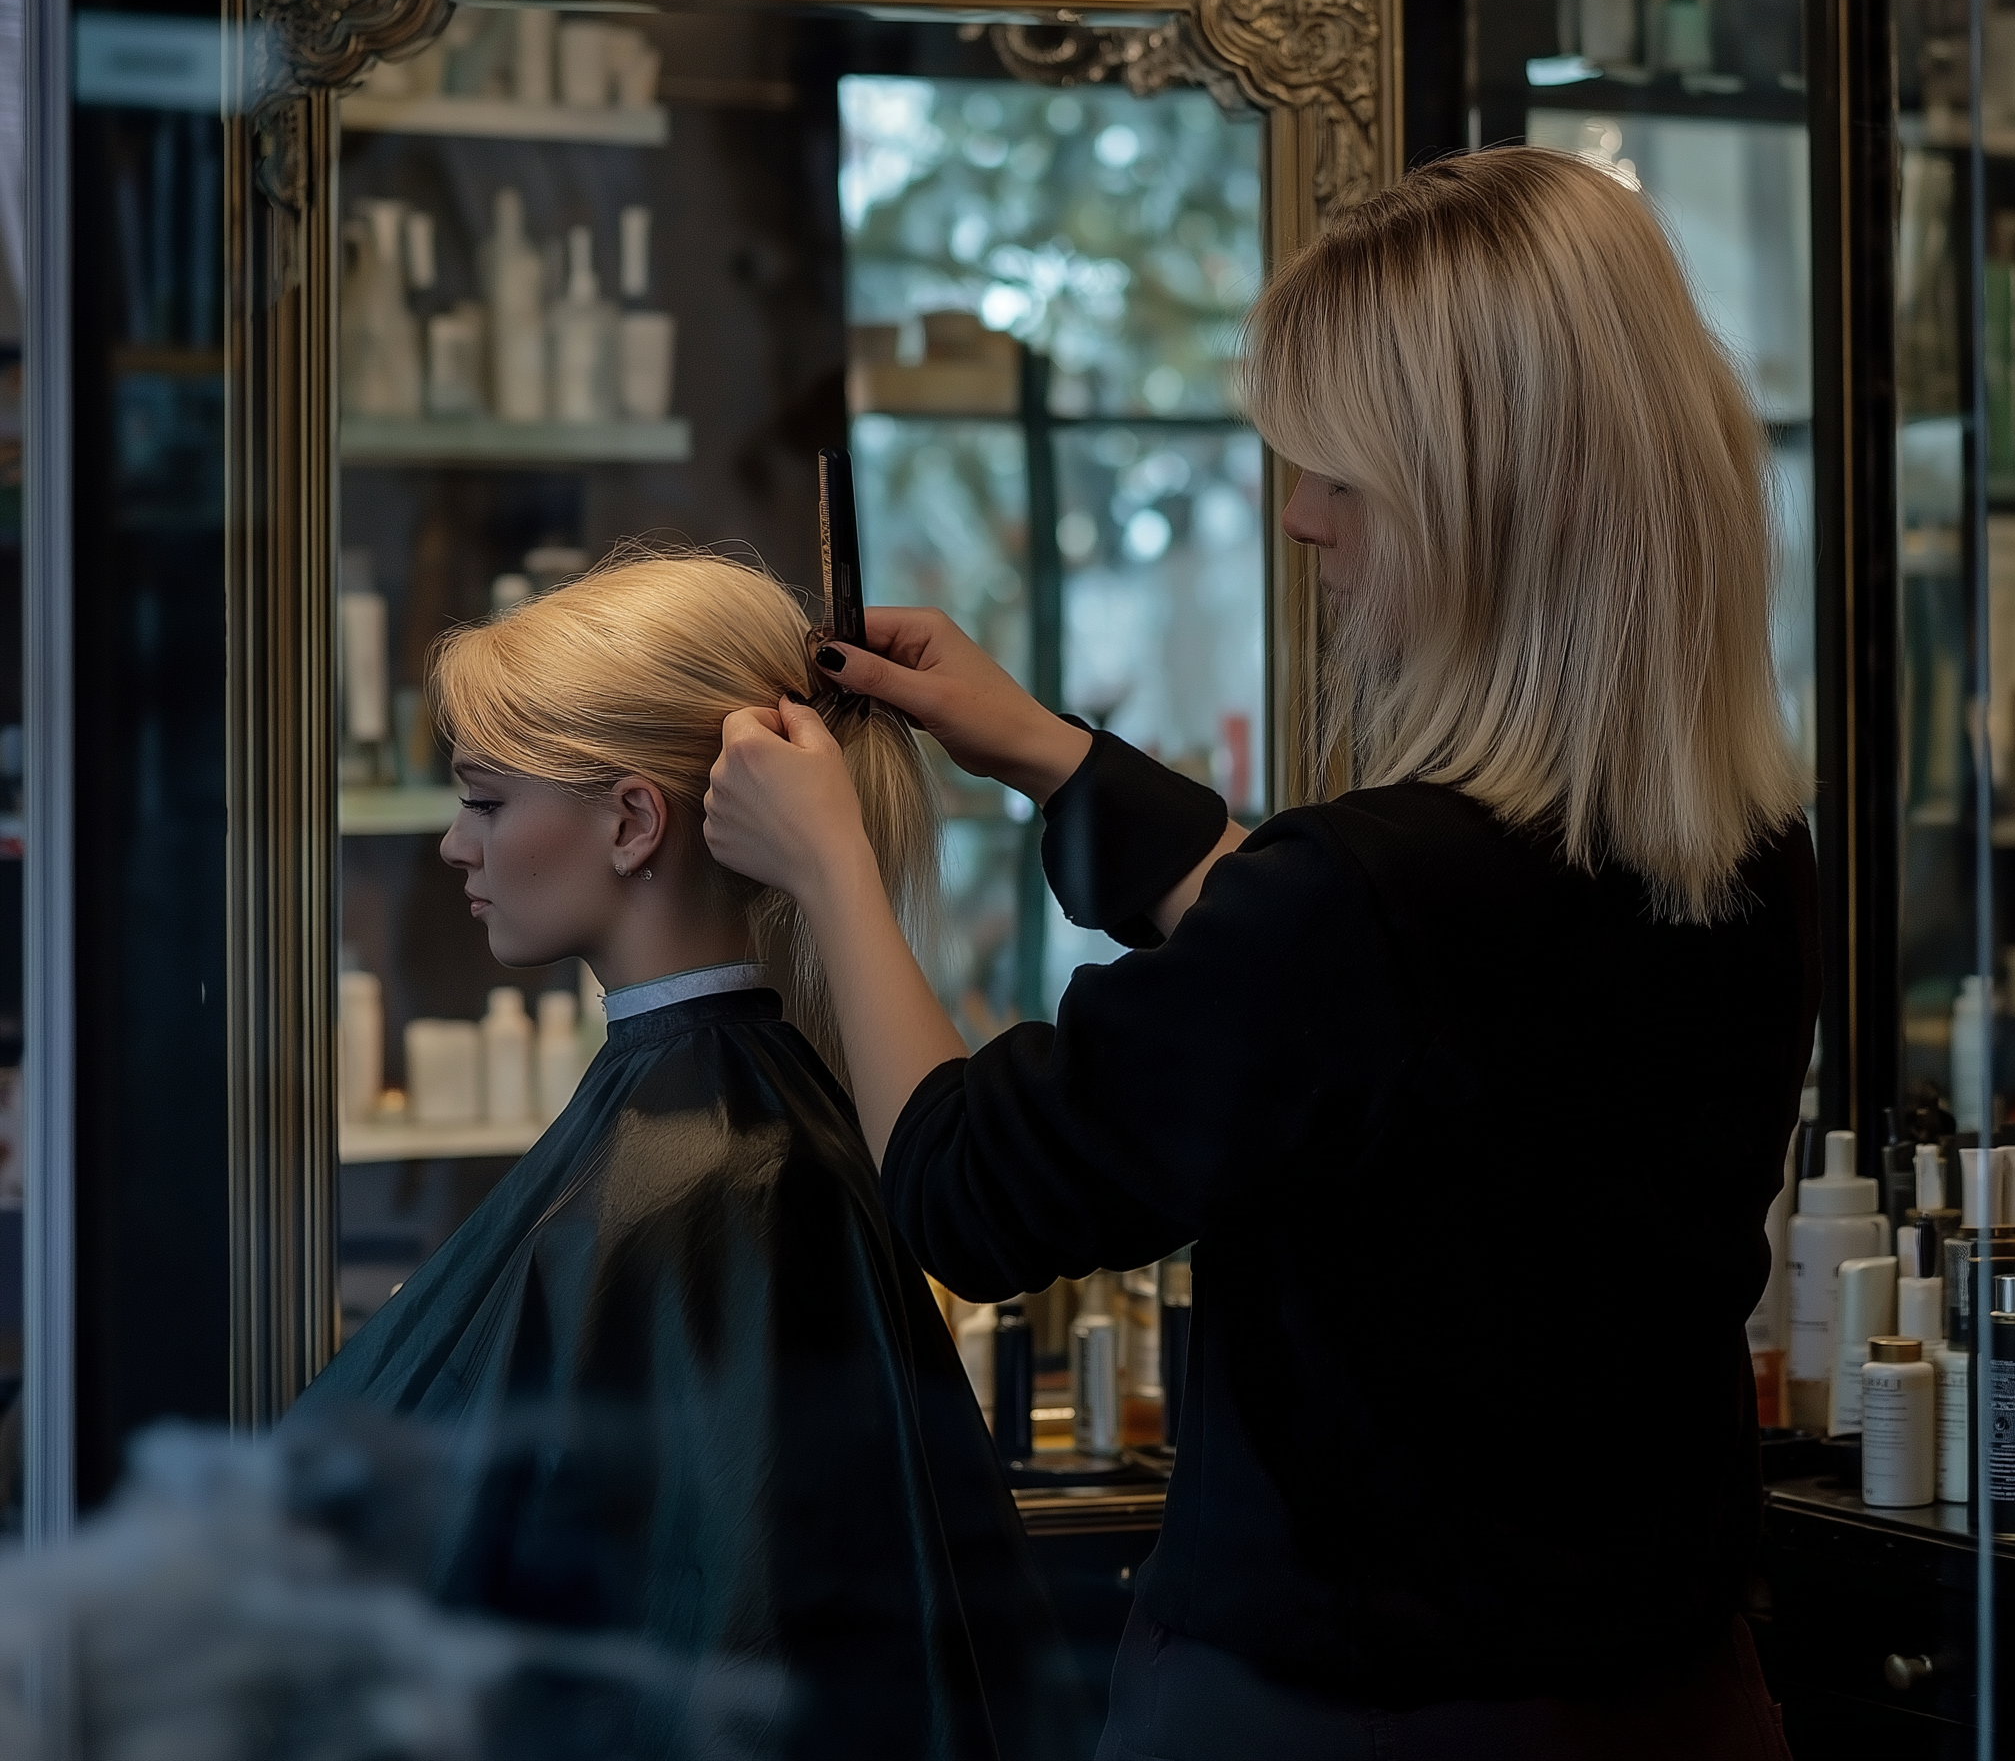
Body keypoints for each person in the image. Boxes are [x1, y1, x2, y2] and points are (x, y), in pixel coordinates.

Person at [703, 149, 1816, 1760]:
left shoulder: (1367, 908)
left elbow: (968, 1184)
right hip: (1681, 1706)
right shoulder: (1745, 858)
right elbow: (1367, 1006)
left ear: (1487, 503)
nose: (1298, 518)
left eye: (1342, 477)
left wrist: (829, 872)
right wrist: (1036, 747)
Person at [293, 552, 1087, 1761]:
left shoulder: (716, 1171)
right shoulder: (717, 1125)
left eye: (485, 800)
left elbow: (731, 1640)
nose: (456, 845)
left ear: (628, 820)